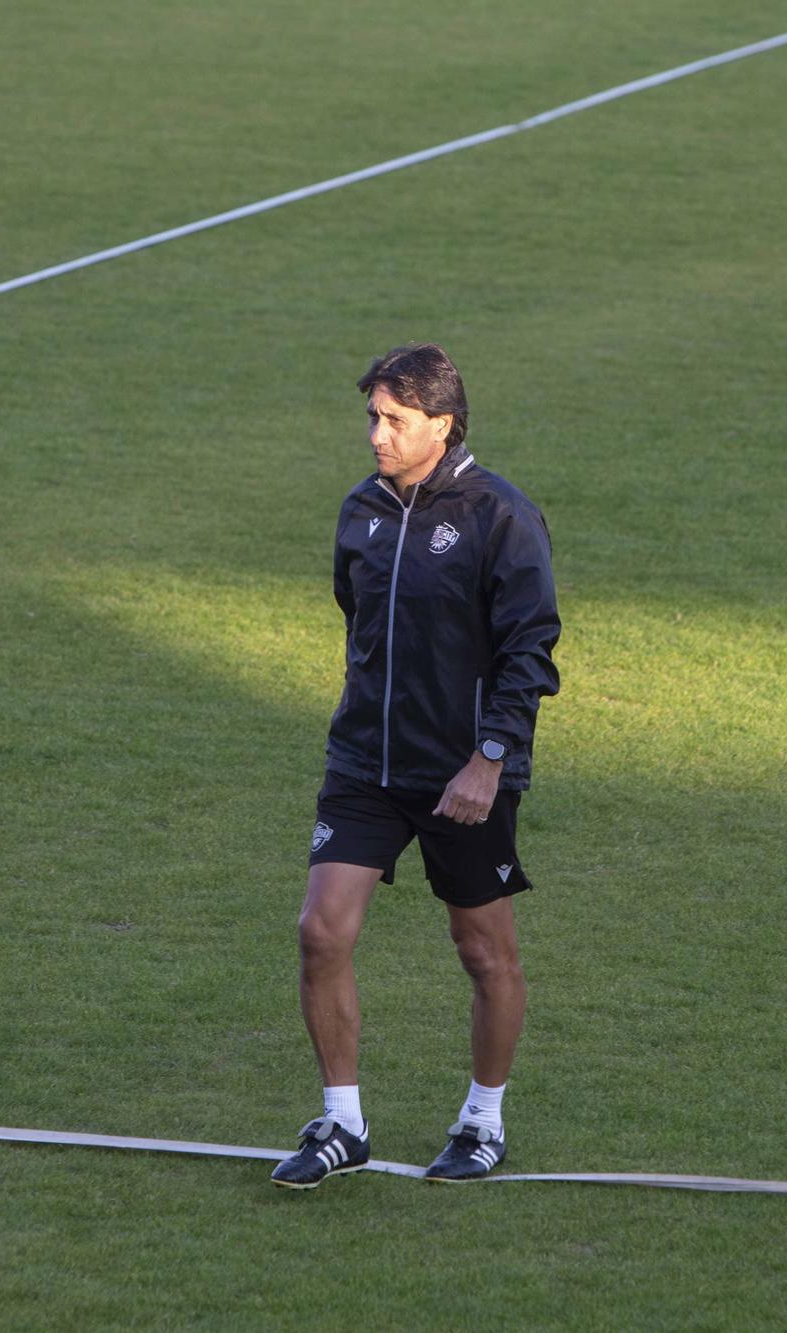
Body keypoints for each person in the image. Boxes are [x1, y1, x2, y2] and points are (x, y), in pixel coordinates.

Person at [271, 343, 561, 1189]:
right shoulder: (360, 510)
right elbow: (357, 617)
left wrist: (490, 756)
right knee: (320, 930)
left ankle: (482, 1120)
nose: (376, 434)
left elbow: (530, 648)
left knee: (482, 949)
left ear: (443, 423)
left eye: (395, 419)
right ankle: (343, 1121)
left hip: (463, 770)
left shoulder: (498, 515)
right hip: (366, 758)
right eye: (372, 416)